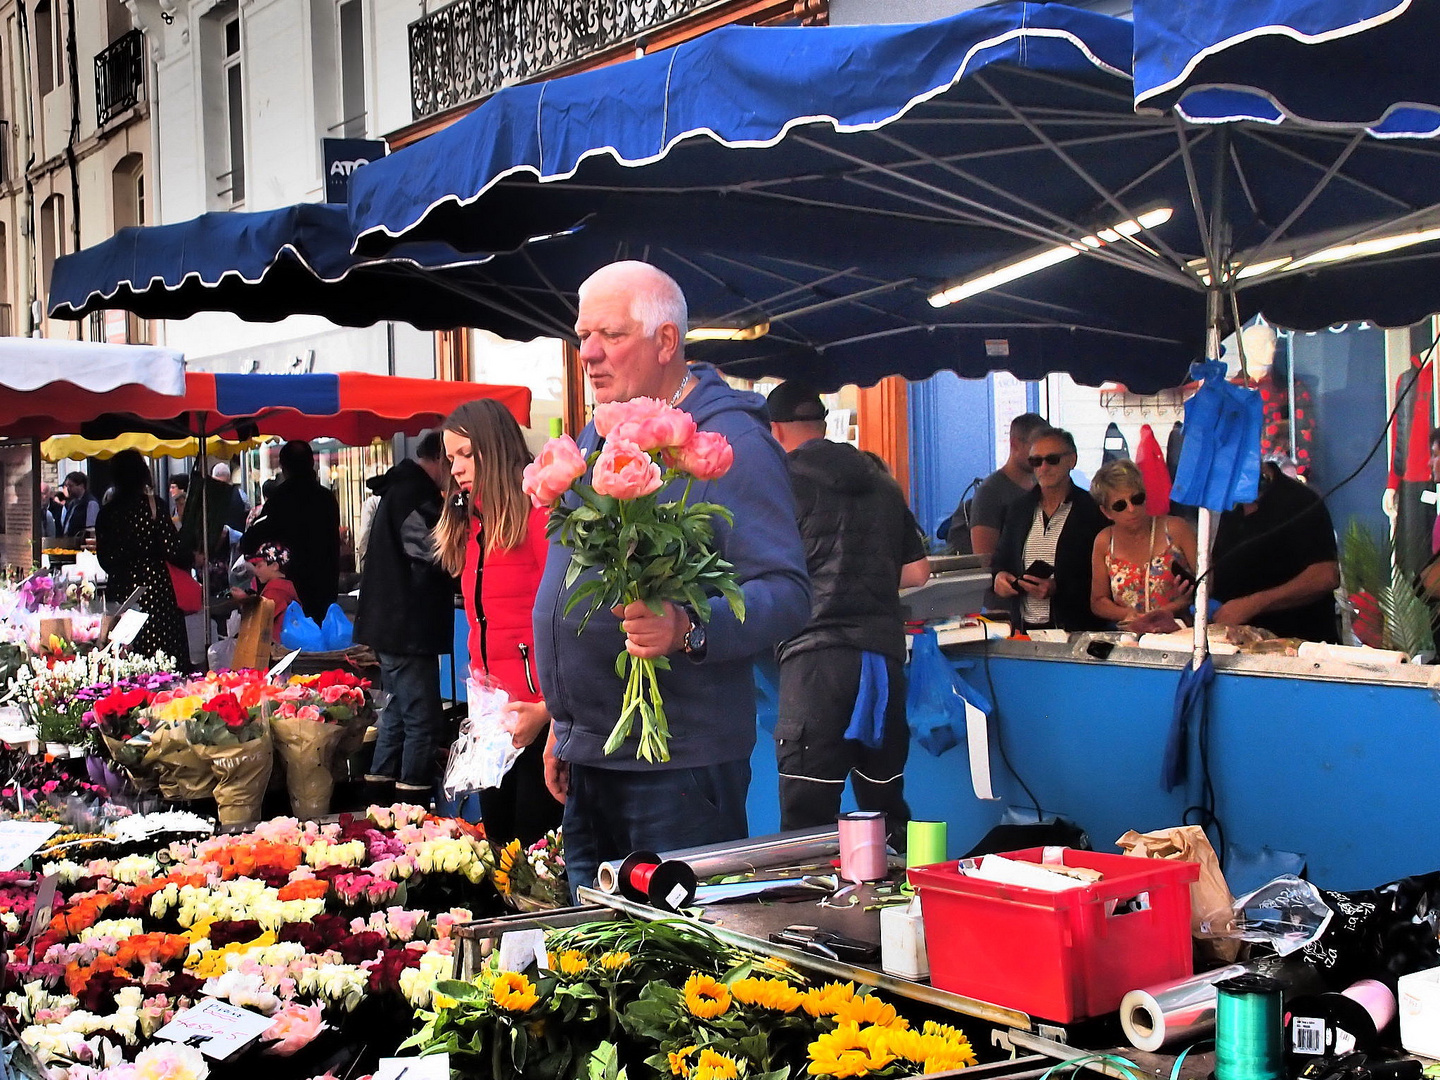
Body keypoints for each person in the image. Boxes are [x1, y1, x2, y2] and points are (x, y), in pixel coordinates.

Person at [537, 261, 810, 898]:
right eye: (583, 337)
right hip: (592, 756)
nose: (590, 355)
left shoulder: (728, 440)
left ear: (666, 342)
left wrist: (688, 627)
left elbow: (789, 593)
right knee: (591, 969)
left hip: (676, 770)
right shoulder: (600, 432)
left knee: (671, 975)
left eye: (611, 335)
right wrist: (565, 719)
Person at [766, 380, 930, 844]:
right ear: (821, 424)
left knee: (807, 825)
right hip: (880, 662)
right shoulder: (881, 482)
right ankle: (901, 912)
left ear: (775, 431)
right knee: (887, 816)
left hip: (814, 664)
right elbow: (917, 573)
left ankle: (814, 918)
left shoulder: (782, 485)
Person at [434, 402, 564, 842]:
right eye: (451, 458)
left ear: (495, 447)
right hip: (492, 714)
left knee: (536, 844)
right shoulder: (470, 524)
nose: (456, 468)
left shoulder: (539, 515)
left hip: (538, 713)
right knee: (499, 842)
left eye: (466, 454)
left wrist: (548, 707)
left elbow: (570, 618)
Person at [355, 433, 455, 801]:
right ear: (441, 460)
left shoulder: (398, 490)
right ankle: (412, 803)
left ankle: (379, 799)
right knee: (421, 719)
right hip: (407, 626)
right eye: (455, 459)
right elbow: (435, 552)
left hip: (390, 624)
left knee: (397, 715)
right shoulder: (415, 495)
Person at [992, 426, 1107, 632]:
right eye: (1036, 461)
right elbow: (1001, 560)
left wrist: (1057, 588)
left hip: (1077, 629)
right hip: (1025, 629)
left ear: (1072, 460)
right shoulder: (1019, 510)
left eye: (1052, 459)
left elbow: (1104, 576)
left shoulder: (1092, 511)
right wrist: (1000, 578)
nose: (1043, 467)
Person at [1210, 460, 1340, 642]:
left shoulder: (1299, 501)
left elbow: (1325, 576)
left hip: (1296, 648)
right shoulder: (1233, 510)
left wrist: (1252, 604)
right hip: (1241, 648)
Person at [94, 450, 190, 666]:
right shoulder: (153, 506)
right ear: (143, 475)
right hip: (156, 591)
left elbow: (104, 559)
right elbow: (172, 549)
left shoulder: (107, 513)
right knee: (164, 654)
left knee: (125, 653)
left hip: (121, 590)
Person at [1088, 459, 1198, 633]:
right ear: (1106, 512)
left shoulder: (1176, 528)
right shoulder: (1104, 541)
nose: (1131, 508)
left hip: (1179, 633)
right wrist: (1128, 614)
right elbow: (1098, 602)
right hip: (1130, 637)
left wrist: (1181, 602)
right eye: (1120, 505)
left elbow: (1209, 581)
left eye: (1137, 499)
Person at [952, 413, 1048, 610]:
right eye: (1034, 446)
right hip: (1005, 605)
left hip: (1040, 601)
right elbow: (985, 558)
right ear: (1015, 444)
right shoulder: (991, 491)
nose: (1040, 454)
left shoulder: (1043, 486)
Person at [242, 441, 341, 623]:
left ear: (284, 467)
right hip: (324, 584)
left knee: (290, 642)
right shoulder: (326, 499)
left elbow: (252, 540)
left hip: (288, 588)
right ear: (312, 463)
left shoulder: (280, 500)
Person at [231, 541, 300, 643]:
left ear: (275, 566)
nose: (256, 571)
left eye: (259, 566)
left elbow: (261, 619)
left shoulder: (276, 591)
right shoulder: (285, 587)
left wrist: (244, 601)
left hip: (276, 649)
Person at [59, 471, 99, 540]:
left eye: (71, 486)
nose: (68, 489)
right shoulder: (72, 503)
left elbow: (91, 529)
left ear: (81, 485)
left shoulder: (90, 503)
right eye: (67, 486)